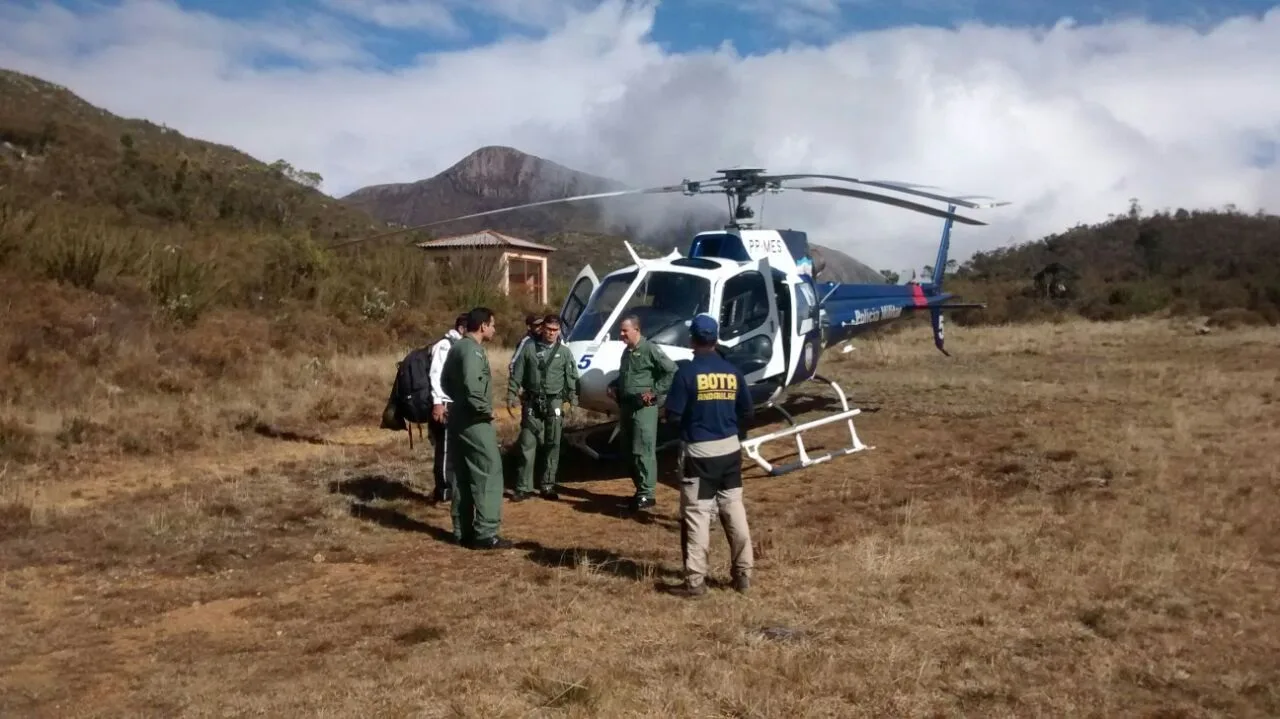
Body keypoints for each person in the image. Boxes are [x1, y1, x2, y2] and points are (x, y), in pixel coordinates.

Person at [662, 313, 754, 597]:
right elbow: (747, 412)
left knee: (698, 516)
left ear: (692, 339)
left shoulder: (687, 374)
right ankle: (743, 575)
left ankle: (695, 581)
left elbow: (673, 416)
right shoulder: (733, 372)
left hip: (700, 453)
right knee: (734, 510)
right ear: (715, 339)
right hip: (730, 449)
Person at [440, 306, 512, 550]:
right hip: (474, 420)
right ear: (483, 326)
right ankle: (485, 532)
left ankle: (462, 530)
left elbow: (445, 383)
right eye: (492, 324)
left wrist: (460, 400)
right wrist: (483, 409)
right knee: (489, 471)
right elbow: (472, 384)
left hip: (458, 417)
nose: (494, 329)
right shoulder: (473, 351)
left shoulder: (456, 347)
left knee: (462, 474)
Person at [608, 313, 678, 511]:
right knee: (628, 450)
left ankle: (648, 494)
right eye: (620, 330)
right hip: (627, 407)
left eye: (624, 330)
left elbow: (671, 371)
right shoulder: (627, 352)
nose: (621, 334)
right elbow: (628, 376)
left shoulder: (650, 349)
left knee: (643, 449)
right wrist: (615, 386)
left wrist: (651, 394)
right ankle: (640, 491)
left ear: (636, 330)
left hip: (644, 408)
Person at [507, 314, 580, 501]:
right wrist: (511, 395)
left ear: (559, 331)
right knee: (526, 443)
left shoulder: (564, 352)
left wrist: (573, 401)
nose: (551, 333)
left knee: (553, 443)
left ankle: (548, 485)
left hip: (554, 402)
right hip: (532, 402)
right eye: (548, 329)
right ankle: (523, 487)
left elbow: (571, 377)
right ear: (543, 329)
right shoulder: (529, 348)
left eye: (555, 330)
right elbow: (517, 373)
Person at [426, 313, 467, 503]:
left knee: (454, 448)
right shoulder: (445, 346)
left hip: (455, 404)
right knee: (445, 449)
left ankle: (452, 487)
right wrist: (437, 403)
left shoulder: (458, 346)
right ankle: (444, 490)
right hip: (444, 404)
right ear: (461, 328)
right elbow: (435, 376)